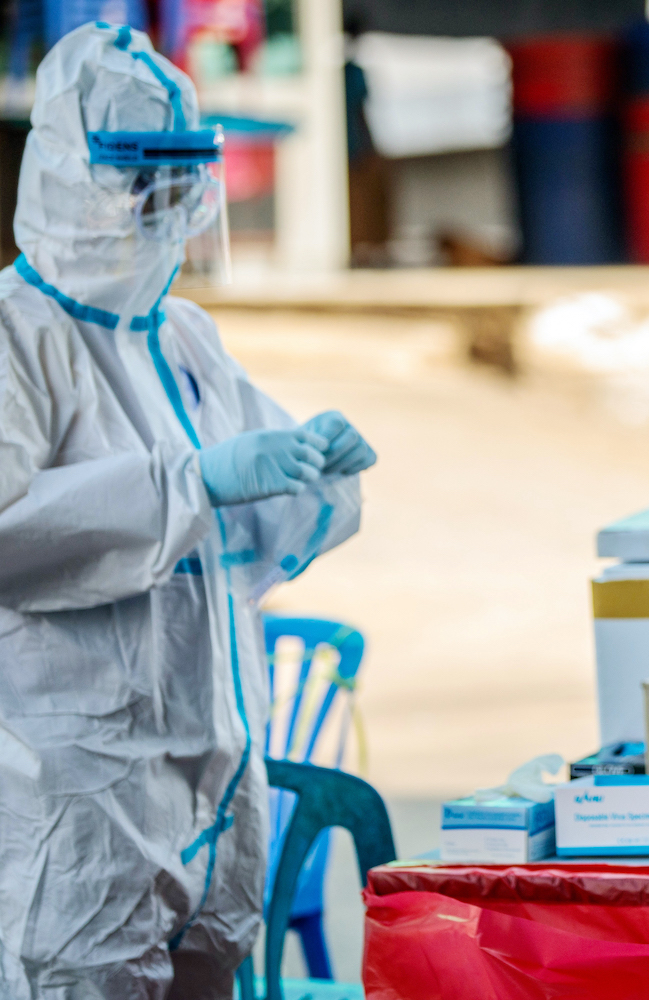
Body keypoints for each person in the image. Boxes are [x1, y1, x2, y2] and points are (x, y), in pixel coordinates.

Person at [0, 24, 375, 998]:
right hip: (83, 787)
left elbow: (260, 530)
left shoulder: (181, 333)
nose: (160, 205)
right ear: (69, 175)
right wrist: (189, 481)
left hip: (219, 769)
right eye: (136, 175)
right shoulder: (17, 332)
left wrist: (316, 475)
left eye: (178, 178)